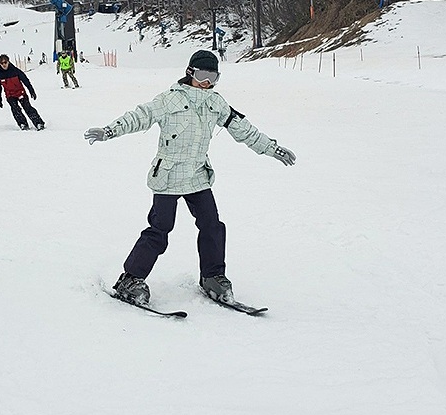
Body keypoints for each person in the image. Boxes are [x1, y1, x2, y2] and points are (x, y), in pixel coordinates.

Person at [83, 50, 297, 306]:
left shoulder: (216, 103)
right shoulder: (169, 100)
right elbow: (139, 116)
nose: (206, 83)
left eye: (212, 77)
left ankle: (213, 276)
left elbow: (244, 130)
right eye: (201, 75)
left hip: (197, 175)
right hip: (168, 176)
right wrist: (109, 131)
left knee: (212, 226)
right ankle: (131, 279)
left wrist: (272, 148)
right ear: (189, 73)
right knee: (159, 230)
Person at [0, 54, 45, 130]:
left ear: (8, 62)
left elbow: (26, 81)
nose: (4, 65)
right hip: (10, 95)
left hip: (20, 93)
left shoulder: (16, 71)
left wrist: (32, 91)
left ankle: (39, 123)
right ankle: (23, 124)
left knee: (27, 107)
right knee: (15, 109)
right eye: (2, 63)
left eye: (5, 62)